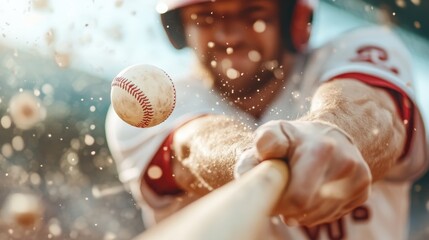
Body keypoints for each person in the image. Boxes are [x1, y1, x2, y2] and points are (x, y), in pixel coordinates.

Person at [105, 0, 429, 239]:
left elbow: (370, 109)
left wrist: (335, 131)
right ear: (179, 28)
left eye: (253, 13)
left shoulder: (357, 48)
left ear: (293, 19)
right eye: (205, 16)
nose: (228, 34)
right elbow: (194, 146)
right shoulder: (155, 102)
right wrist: (251, 155)